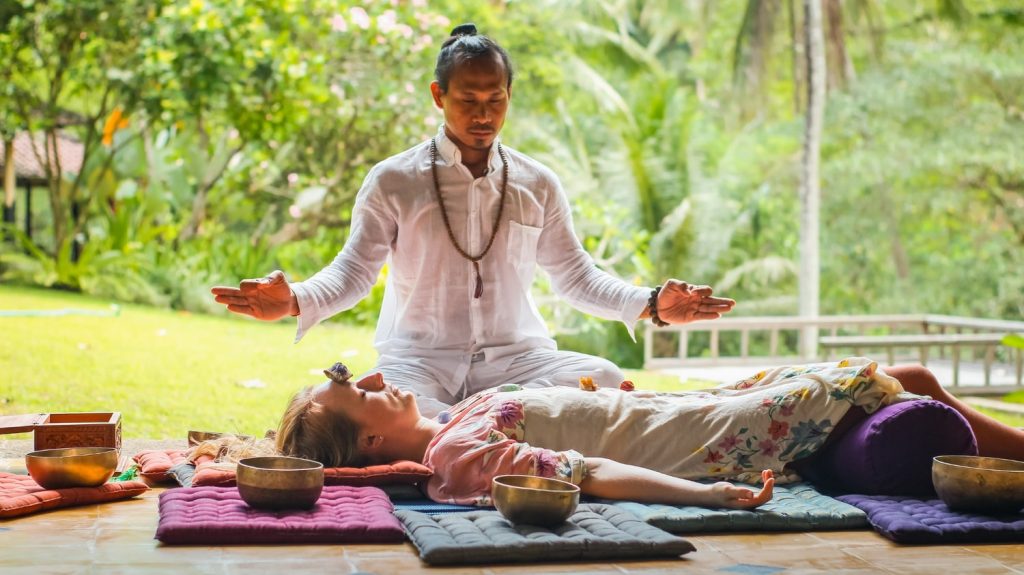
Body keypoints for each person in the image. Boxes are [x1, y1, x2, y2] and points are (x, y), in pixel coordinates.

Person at [210, 23, 736, 418]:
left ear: (509, 96)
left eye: (495, 100)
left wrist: (651, 305)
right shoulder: (394, 179)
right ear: (439, 96)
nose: (483, 114)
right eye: (467, 100)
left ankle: (471, 430)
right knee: (385, 408)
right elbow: (353, 274)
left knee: (602, 376)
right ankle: (495, 430)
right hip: (419, 361)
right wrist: (296, 298)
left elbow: (576, 278)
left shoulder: (538, 182)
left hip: (518, 362)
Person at [265, 358, 1024, 508]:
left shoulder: (458, 416)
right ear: (369, 442)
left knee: (913, 381)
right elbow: (585, 471)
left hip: (689, 404)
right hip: (714, 434)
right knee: (912, 382)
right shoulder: (456, 454)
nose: (370, 378)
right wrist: (712, 498)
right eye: (354, 391)